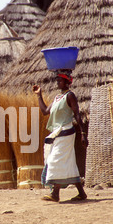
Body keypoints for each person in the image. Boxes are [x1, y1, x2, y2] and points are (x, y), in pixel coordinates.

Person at [33, 72, 88, 202]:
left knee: (53, 160)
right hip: (58, 133)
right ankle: (81, 193)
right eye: (57, 80)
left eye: (60, 80)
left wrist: (83, 134)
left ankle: (55, 193)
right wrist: (39, 95)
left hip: (66, 132)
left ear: (67, 82)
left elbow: (77, 115)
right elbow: (45, 111)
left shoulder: (70, 96)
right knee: (69, 163)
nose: (57, 82)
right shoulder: (58, 97)